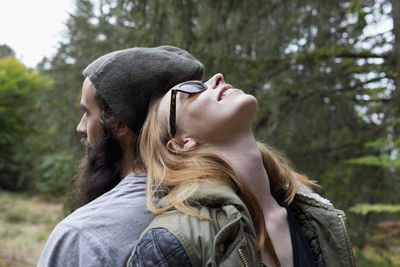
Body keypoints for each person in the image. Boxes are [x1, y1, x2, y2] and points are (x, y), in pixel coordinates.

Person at [127, 74, 356, 267]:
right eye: (190, 89)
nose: (217, 77)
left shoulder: (319, 220)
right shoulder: (170, 242)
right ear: (181, 143)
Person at [37, 46, 205, 266]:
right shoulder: (222, 204)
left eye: (87, 113)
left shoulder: (82, 236)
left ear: (119, 123)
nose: (81, 127)